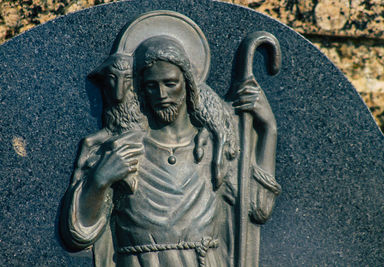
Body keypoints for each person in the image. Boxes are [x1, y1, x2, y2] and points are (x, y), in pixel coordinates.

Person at [61, 35, 280, 267]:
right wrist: (99, 181)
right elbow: (79, 232)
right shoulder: (122, 148)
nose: (162, 95)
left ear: (188, 84)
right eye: (151, 86)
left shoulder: (215, 148)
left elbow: (258, 209)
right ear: (141, 91)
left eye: (170, 83)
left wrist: (268, 130)